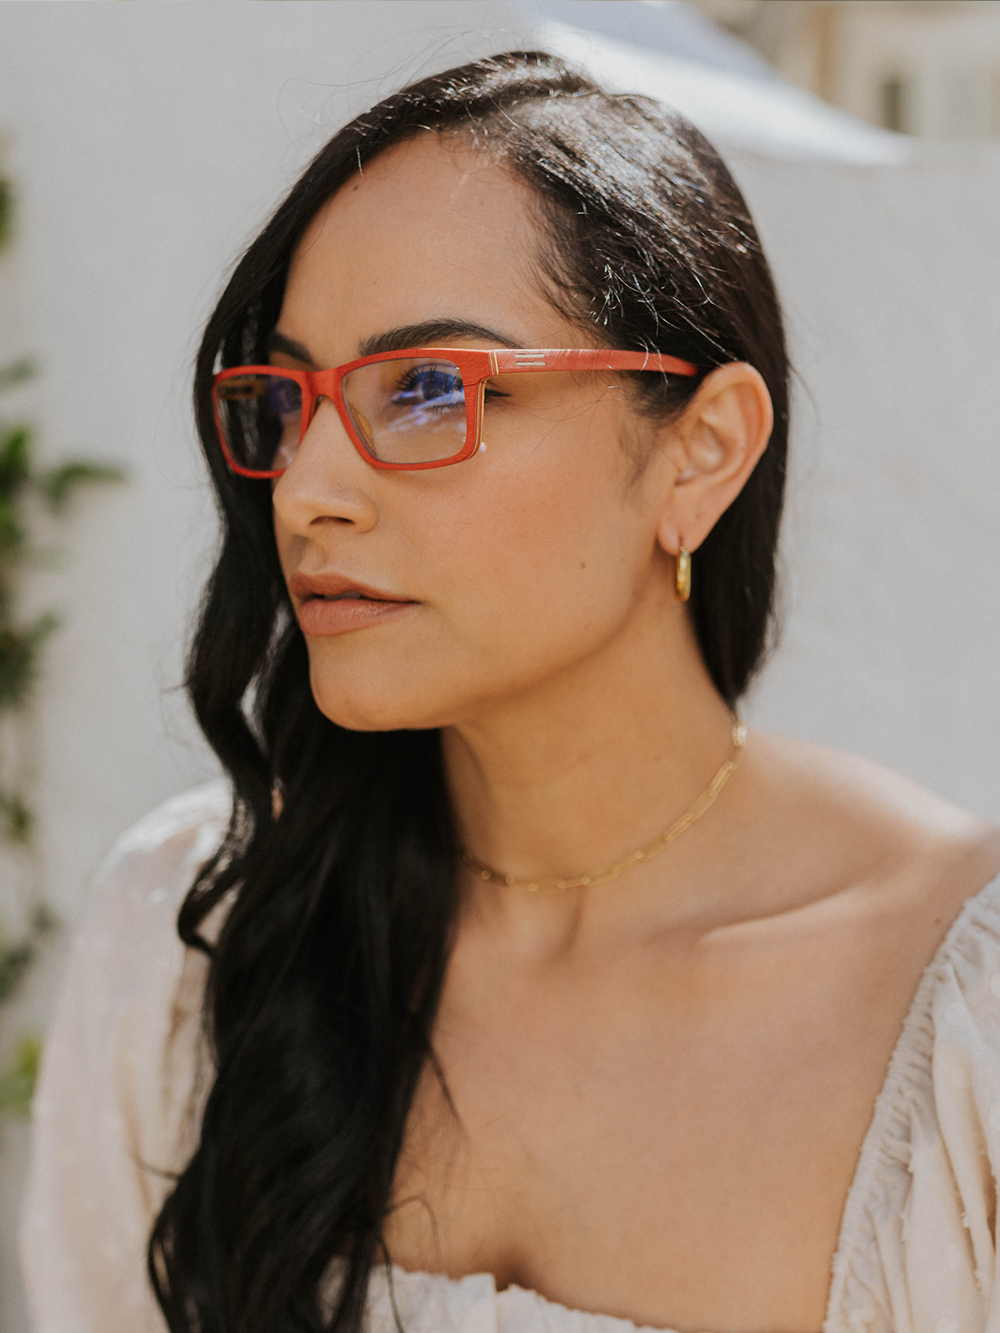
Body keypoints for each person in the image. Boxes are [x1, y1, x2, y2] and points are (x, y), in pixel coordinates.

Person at [20, 50, 1000, 1333]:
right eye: (288, 397)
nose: (309, 489)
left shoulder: (958, 1017)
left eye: (428, 389)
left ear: (699, 454)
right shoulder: (199, 936)